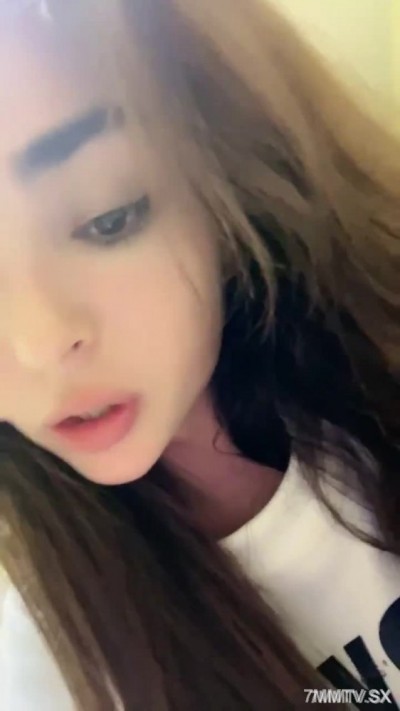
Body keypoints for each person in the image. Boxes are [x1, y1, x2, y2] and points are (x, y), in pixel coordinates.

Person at [0, 0, 399, 708]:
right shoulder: (45, 668)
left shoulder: (370, 385)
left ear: (225, 180)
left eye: (108, 217)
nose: (39, 343)